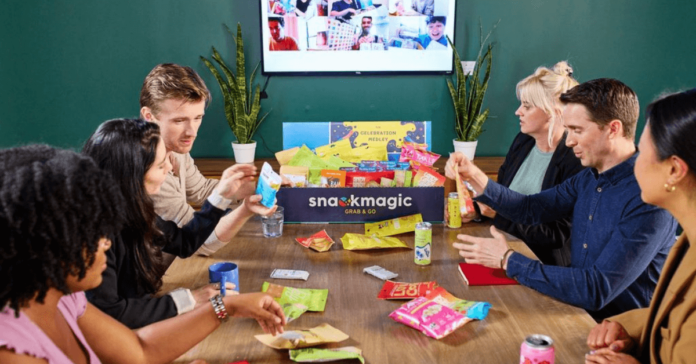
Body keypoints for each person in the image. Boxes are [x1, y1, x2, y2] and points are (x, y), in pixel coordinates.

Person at [0, 145, 285, 364]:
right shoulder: (11, 350)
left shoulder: (64, 298)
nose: (107, 244)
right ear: (48, 244)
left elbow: (139, 350)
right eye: (94, 235)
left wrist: (226, 307)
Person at [446, 78, 677, 320]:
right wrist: (474, 176)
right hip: (572, 311)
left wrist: (507, 259)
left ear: (613, 129)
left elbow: (596, 288)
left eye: (577, 130)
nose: (568, 141)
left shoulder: (649, 198)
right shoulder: (588, 177)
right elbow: (530, 208)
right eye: (568, 130)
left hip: (620, 332)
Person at [83, 119, 277, 329]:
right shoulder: (96, 236)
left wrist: (221, 196)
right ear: (132, 176)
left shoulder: (133, 208)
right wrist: (190, 299)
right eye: (160, 164)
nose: (169, 167)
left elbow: (184, 242)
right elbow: (110, 313)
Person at [584, 89, 696, 364]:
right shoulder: (687, 241)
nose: (635, 163)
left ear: (674, 170)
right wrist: (625, 326)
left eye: (642, 152)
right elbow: (675, 314)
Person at [140, 64, 263, 263]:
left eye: (197, 118)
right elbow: (197, 242)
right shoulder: (150, 172)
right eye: (179, 121)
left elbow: (202, 190)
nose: (192, 132)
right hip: (151, 282)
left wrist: (255, 189)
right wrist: (246, 209)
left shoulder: (174, 147)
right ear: (149, 117)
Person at [475, 61, 585, 267]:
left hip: (543, 264)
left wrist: (500, 214)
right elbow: (504, 195)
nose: (518, 112)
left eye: (526, 106)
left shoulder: (576, 161)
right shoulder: (523, 141)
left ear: (552, 112)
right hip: (502, 250)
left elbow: (556, 235)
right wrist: (474, 209)